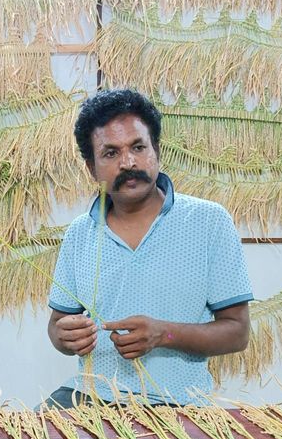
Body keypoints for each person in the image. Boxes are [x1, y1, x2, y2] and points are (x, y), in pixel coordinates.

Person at [42, 89, 253, 408]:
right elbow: (57, 327)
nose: (128, 162)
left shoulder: (209, 221)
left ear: (157, 150)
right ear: (92, 168)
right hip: (92, 397)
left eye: (138, 147)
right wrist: (64, 337)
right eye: (110, 153)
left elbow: (237, 333)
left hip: (178, 403)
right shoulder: (79, 233)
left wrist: (163, 334)